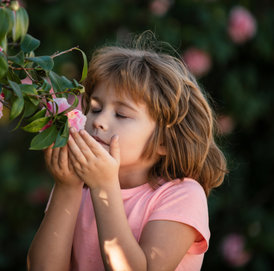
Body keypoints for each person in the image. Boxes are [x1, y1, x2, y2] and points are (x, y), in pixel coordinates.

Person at [27, 44, 228, 271]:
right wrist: (66, 188)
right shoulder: (76, 185)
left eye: (121, 114)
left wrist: (104, 186)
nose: (98, 121)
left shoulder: (182, 195)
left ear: (164, 140)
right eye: (94, 108)